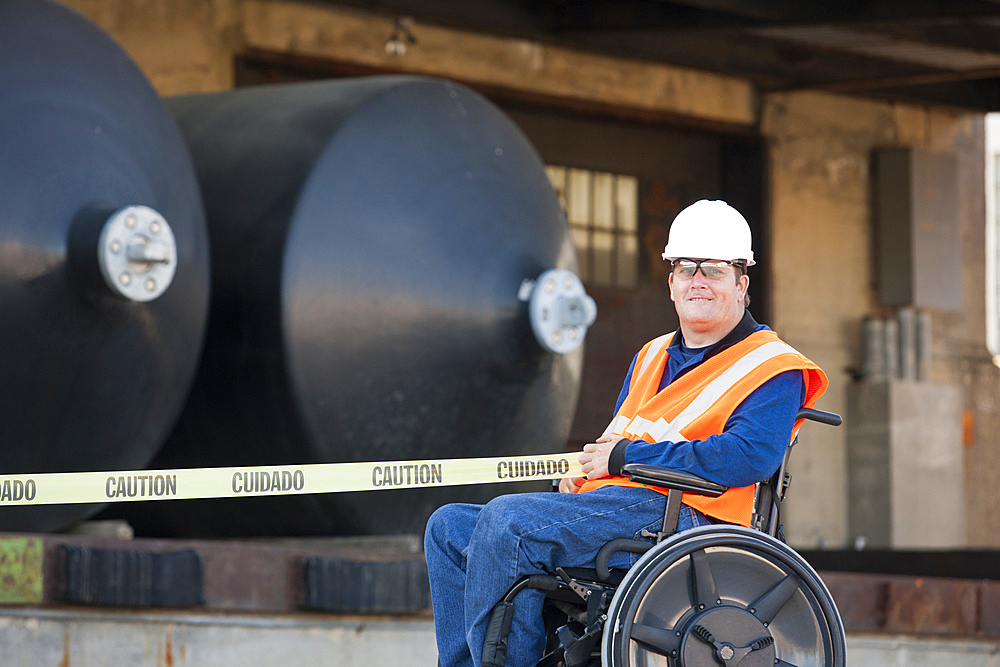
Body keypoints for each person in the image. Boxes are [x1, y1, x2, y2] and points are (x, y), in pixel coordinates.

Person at [423, 199, 828, 666]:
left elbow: (748, 458)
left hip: (693, 514)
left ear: (742, 284)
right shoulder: (652, 354)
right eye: (685, 268)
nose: (698, 280)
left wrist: (622, 460)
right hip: (620, 503)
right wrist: (587, 472)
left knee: (507, 523)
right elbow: (619, 437)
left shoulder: (772, 366)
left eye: (714, 269)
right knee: (448, 527)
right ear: (672, 283)